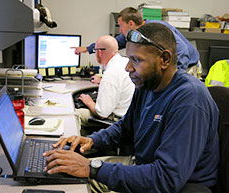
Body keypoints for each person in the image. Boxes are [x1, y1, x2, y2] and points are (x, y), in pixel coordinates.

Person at [43, 23, 219, 193]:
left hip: (172, 185)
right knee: (61, 174)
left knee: (74, 183)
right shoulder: (148, 85)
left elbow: (166, 178)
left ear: (164, 59)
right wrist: (92, 140)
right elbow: (125, 128)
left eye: (136, 60)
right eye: (128, 59)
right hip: (143, 168)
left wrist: (91, 168)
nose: (128, 68)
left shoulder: (189, 99)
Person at [73, 7, 200, 71]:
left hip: (188, 65)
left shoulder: (157, 28)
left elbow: (182, 51)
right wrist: (88, 49)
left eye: (121, 26)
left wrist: (175, 76)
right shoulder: (135, 34)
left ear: (131, 24)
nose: (121, 30)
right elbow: (113, 43)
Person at [76, 35, 135, 128]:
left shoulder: (110, 73)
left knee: (75, 114)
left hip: (117, 121)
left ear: (99, 52)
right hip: (129, 117)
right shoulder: (125, 62)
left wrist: (89, 102)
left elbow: (102, 114)